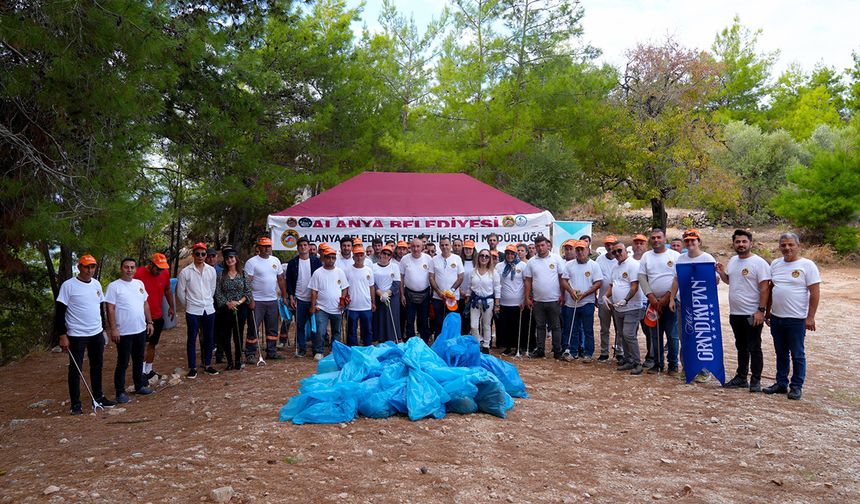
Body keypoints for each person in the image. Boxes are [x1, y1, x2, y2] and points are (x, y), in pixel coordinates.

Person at [55, 255, 117, 414]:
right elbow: (60, 312)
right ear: (79, 267)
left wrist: (103, 329)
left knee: (97, 366)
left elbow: (100, 308)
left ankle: (98, 397)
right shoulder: (68, 286)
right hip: (76, 335)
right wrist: (62, 335)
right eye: (86, 267)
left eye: (92, 267)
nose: (89, 270)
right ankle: (76, 405)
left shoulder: (96, 284)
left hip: (96, 333)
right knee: (76, 370)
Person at [763, 232, 820, 400]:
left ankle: (796, 386)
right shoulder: (775, 264)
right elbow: (771, 289)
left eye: (790, 245)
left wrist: (810, 317)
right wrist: (768, 312)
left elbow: (815, 293)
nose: (787, 248)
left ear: (798, 246)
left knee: (797, 353)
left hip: (796, 319)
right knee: (781, 352)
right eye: (783, 245)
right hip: (777, 317)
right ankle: (781, 383)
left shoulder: (807, 265)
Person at [716, 230, 771, 391]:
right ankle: (741, 377)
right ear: (733, 244)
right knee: (741, 346)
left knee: (754, 346)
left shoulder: (759, 263)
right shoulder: (733, 260)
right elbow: (730, 281)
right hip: (736, 313)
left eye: (744, 242)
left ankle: (755, 380)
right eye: (737, 242)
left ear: (751, 243)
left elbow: (765, 288)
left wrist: (761, 310)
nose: (740, 244)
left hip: (752, 313)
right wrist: (721, 273)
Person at [668, 229, 720, 383]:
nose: (690, 243)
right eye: (688, 240)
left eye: (693, 240)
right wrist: (671, 299)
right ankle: (687, 367)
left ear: (699, 241)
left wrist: (715, 275)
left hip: (701, 305)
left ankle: (703, 370)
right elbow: (676, 280)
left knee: (702, 337)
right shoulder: (681, 259)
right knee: (685, 336)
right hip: (684, 304)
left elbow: (715, 281)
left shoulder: (707, 258)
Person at [105, 258, 154, 403]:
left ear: (136, 269)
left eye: (132, 267)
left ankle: (139, 385)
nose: (129, 270)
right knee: (123, 362)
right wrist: (113, 329)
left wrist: (149, 322)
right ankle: (120, 392)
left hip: (140, 329)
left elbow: (145, 304)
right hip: (124, 332)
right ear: (121, 268)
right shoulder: (114, 287)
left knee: (139, 359)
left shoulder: (139, 284)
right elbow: (110, 308)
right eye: (126, 267)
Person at [637, 228, 681, 374]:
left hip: (670, 303)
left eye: (659, 237)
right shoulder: (646, 256)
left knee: (672, 335)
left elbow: (678, 278)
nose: (656, 240)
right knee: (655, 334)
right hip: (653, 302)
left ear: (665, 239)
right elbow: (642, 278)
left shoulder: (675, 255)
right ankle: (658, 363)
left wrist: (666, 298)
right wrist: (651, 297)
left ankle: (673, 365)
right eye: (653, 238)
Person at [176, 242, 219, 378]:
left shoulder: (211, 270)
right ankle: (193, 367)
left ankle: (207, 365)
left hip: (208, 308)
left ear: (206, 255)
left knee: (209, 338)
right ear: (193, 255)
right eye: (198, 254)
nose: (200, 256)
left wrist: (207, 300)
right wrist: (188, 305)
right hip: (193, 310)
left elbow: (212, 289)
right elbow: (180, 292)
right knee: (192, 338)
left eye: (203, 254)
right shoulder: (185, 272)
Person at [244, 236, 287, 361]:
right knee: (253, 327)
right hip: (257, 300)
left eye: (268, 246)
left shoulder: (275, 261)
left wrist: (284, 296)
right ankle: (250, 353)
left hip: (272, 300)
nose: (267, 248)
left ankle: (271, 351)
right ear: (259, 247)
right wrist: (250, 299)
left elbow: (280, 279)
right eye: (264, 246)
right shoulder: (252, 262)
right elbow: (247, 283)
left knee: (272, 327)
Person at [134, 253, 175, 381]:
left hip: (157, 315)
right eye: (158, 268)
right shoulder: (138, 274)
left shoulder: (165, 273)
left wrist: (171, 306)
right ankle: (140, 374)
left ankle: (148, 370)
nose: (160, 271)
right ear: (151, 264)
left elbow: (167, 290)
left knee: (152, 344)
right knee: (143, 346)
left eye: (162, 269)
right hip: (142, 316)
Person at [560, 240, 603, 362]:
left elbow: (598, 283)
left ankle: (588, 353)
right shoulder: (569, 265)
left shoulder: (594, 265)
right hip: (571, 302)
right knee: (572, 328)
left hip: (587, 302)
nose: (580, 252)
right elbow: (563, 280)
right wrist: (570, 291)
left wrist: (585, 294)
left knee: (588, 329)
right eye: (577, 249)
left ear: (588, 250)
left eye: (582, 249)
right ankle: (573, 352)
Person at [523, 236, 565, 359]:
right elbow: (528, 281)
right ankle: (540, 349)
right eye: (538, 246)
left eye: (542, 245)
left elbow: (561, 278)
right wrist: (527, 298)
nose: (540, 248)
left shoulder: (556, 259)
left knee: (556, 326)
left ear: (548, 245)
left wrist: (562, 295)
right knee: (540, 326)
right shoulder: (531, 261)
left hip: (554, 299)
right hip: (538, 300)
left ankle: (557, 350)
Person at [606, 242, 644, 375]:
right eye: (614, 252)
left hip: (632, 306)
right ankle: (628, 360)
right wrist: (606, 296)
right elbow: (612, 285)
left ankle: (637, 362)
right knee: (622, 334)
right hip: (618, 308)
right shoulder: (615, 267)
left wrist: (626, 299)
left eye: (619, 251)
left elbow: (635, 286)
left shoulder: (633, 264)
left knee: (629, 334)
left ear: (625, 250)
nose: (617, 254)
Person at [309, 245, 349, 360]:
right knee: (320, 331)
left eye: (333, 258)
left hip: (337, 308)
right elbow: (314, 291)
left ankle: (334, 350)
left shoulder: (340, 272)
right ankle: (319, 351)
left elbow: (345, 288)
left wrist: (342, 300)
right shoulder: (317, 273)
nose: (331, 260)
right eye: (328, 257)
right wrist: (313, 306)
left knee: (337, 331)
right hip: (321, 308)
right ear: (324, 258)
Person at [285, 236, 323, 357]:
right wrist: (291, 296)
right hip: (299, 300)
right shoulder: (292, 263)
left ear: (308, 247)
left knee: (315, 325)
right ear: (297, 248)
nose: (303, 247)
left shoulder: (316, 262)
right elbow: (289, 282)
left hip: (314, 300)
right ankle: (301, 349)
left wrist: (318, 299)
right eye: (300, 245)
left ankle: (317, 350)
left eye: (305, 245)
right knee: (300, 326)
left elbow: (321, 281)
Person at [214, 248, 251, 370]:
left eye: (232, 258)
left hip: (240, 308)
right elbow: (218, 293)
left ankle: (238, 360)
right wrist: (227, 303)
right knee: (226, 335)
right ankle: (229, 361)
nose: (230, 260)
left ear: (236, 259)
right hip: (225, 309)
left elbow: (247, 292)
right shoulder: (220, 275)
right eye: (227, 258)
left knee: (238, 334)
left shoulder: (243, 274)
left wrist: (238, 302)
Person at [496, 245, 530, 355]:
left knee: (518, 326)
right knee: (506, 327)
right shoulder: (499, 266)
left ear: (515, 254)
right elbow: (497, 284)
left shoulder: (523, 265)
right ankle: (508, 347)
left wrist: (525, 299)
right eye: (507, 253)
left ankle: (518, 347)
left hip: (518, 302)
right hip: (504, 302)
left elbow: (526, 283)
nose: (510, 256)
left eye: (512, 253)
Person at [400, 238, 433, 343]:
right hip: (409, 294)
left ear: (422, 247)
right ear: (410, 247)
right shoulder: (405, 259)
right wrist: (402, 295)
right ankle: (410, 343)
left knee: (423, 320)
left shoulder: (428, 259)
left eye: (418, 246)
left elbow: (432, 276)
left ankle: (425, 343)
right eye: (413, 246)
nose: (415, 249)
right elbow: (401, 277)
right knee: (409, 320)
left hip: (425, 294)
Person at [430, 236, 465, 337]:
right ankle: (438, 344)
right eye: (442, 245)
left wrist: (452, 290)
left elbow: (461, 277)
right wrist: (438, 292)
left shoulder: (457, 259)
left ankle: (452, 343)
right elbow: (431, 277)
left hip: (453, 297)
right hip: (438, 297)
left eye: (447, 245)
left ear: (450, 246)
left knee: (452, 321)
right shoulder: (434, 259)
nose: (444, 247)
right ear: (439, 246)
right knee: (438, 322)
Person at [469, 249, 500, 353]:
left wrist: (497, 304)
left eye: (487, 256)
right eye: (482, 255)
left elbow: (497, 289)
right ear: (478, 257)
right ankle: (477, 343)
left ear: (489, 259)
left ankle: (486, 345)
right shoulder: (473, 272)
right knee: (473, 325)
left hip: (489, 302)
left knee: (486, 324)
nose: (484, 258)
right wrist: (468, 298)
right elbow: (470, 287)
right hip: (475, 301)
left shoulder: (494, 273)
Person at [345, 245, 376, 346]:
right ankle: (352, 349)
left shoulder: (369, 270)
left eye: (361, 255)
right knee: (351, 331)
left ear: (364, 257)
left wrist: (373, 302)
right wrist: (344, 299)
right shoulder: (348, 270)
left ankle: (368, 348)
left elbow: (371, 287)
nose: (359, 257)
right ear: (353, 257)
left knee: (368, 330)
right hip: (352, 306)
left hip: (366, 305)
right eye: (357, 255)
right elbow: (345, 288)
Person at [596, 235, 620, 363]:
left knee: (619, 329)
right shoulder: (599, 260)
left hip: (618, 300)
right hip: (603, 300)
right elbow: (595, 279)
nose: (610, 247)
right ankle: (604, 352)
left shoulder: (620, 259)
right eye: (607, 244)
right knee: (604, 329)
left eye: (612, 244)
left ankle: (619, 351)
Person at [373, 245, 401, 342]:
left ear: (390, 256)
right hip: (378, 297)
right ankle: (380, 340)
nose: (386, 255)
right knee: (379, 319)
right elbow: (373, 283)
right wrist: (381, 294)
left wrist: (387, 294)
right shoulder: (373, 267)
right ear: (380, 254)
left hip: (391, 297)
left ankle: (392, 340)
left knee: (391, 319)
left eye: (388, 254)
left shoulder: (395, 266)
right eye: (384, 253)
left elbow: (396, 283)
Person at [459, 239, 477, 335]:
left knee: (471, 320)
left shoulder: (477, 263)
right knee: (461, 318)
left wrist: (469, 294)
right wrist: (460, 291)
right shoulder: (459, 261)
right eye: (466, 248)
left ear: (473, 250)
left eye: (470, 249)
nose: (468, 251)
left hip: (472, 296)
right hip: (459, 294)